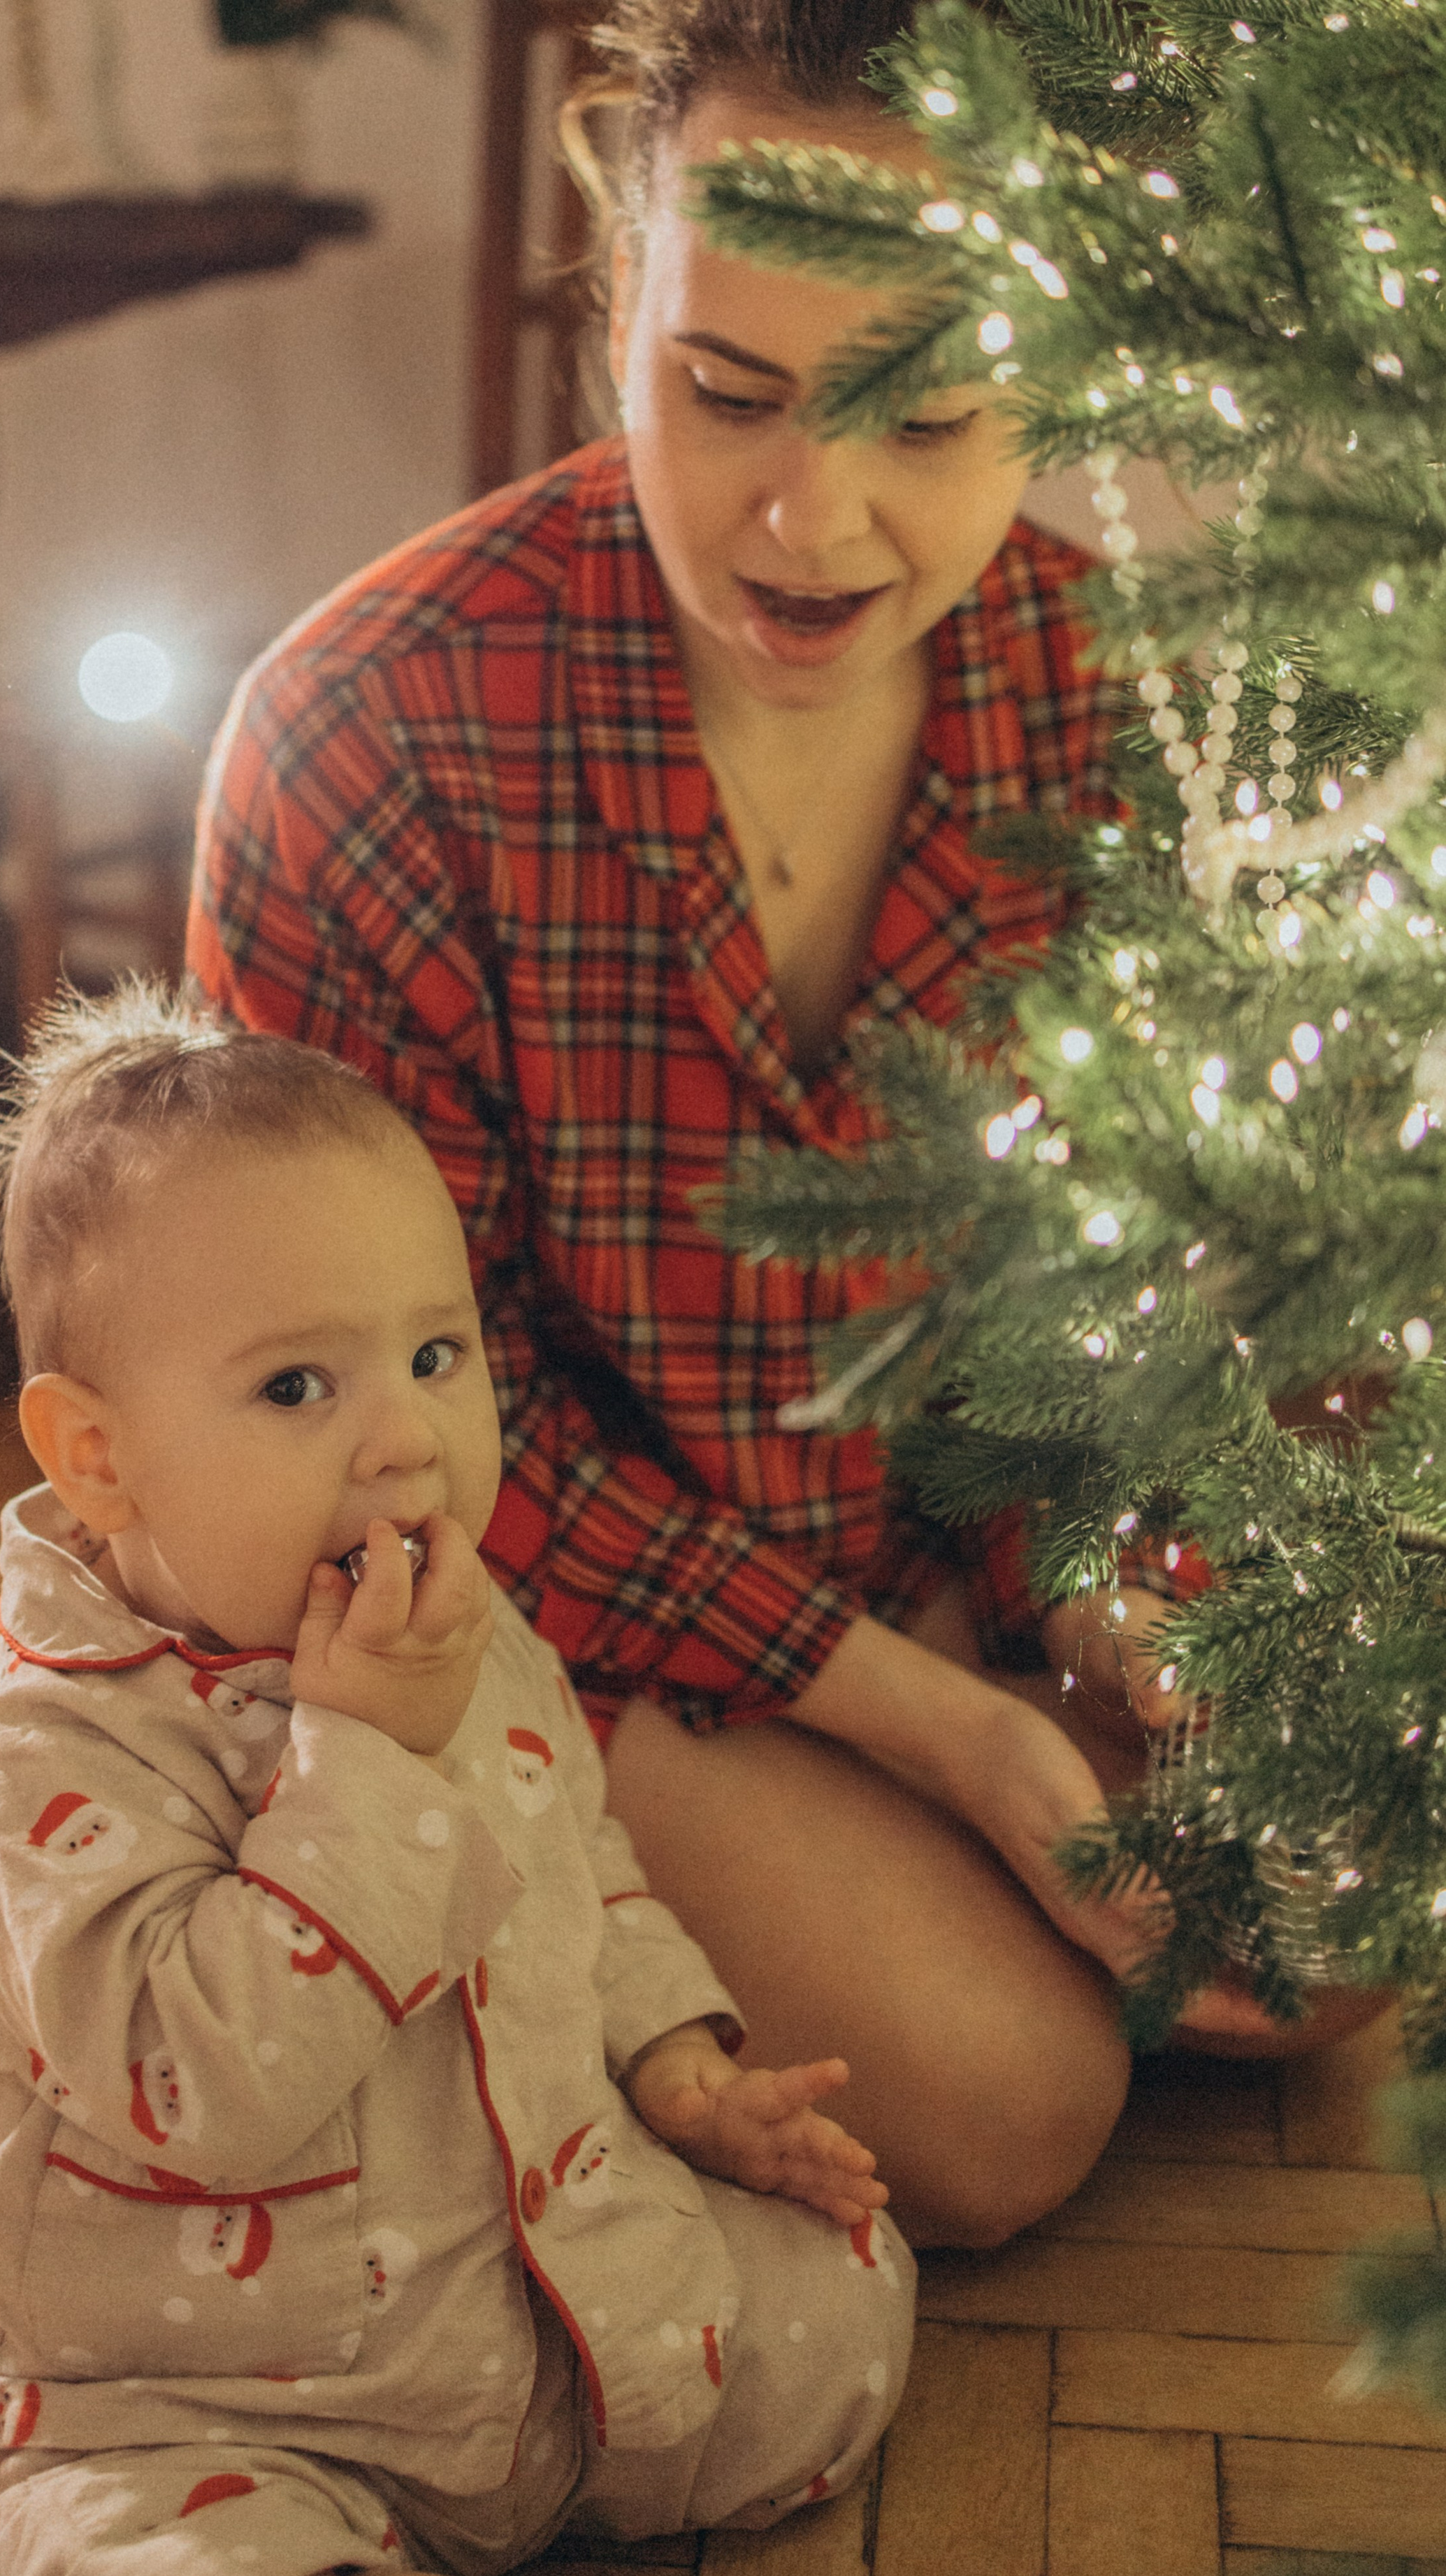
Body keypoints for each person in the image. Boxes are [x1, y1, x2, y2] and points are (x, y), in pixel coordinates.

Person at [191, 0, 1373, 2248]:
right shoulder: (369, 738)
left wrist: (1118, 1611)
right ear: (611, 308)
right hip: (521, 1606)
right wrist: (955, 1739)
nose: (809, 517)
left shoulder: (1100, 688)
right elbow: (400, 1445)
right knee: (1009, 2109)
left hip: (933, 1556)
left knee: (1340, 1928)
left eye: (927, 413)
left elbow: (1111, 1296)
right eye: (722, 391)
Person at [0, 982, 916, 2576]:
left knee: (853, 2299)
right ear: (97, 1457)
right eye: (298, 1383)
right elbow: (200, 2090)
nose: (405, 1437)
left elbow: (577, 1853)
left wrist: (676, 2065)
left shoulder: (466, 1623)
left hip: (500, 2309)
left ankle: (490, 2512)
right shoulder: (39, 1765)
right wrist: (366, 1754)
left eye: (435, 1355)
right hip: (198, 2407)